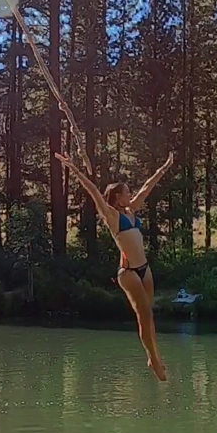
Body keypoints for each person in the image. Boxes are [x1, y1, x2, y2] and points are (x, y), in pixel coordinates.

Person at [55, 151, 174, 381]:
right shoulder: (111, 215)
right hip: (128, 273)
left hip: (144, 269)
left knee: (151, 316)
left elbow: (147, 187)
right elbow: (93, 192)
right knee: (143, 314)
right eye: (127, 192)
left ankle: (155, 357)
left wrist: (165, 167)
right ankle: (153, 360)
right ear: (118, 197)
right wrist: (74, 168)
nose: (131, 194)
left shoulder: (131, 212)